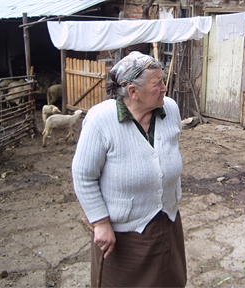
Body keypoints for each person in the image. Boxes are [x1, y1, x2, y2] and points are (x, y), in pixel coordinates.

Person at [72, 51, 186, 287]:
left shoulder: (170, 109)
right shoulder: (100, 120)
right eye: (158, 84)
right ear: (133, 92)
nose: (165, 88)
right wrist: (101, 223)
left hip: (167, 222)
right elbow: (83, 176)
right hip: (123, 235)